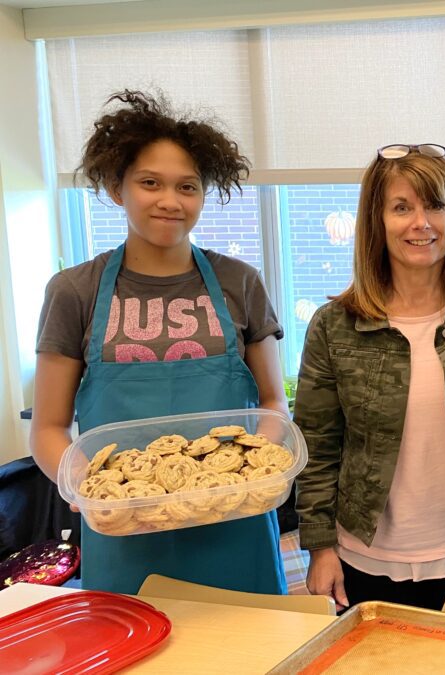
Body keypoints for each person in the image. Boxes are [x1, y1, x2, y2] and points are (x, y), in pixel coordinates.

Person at [31, 90, 289, 595]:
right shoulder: (75, 291)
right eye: (150, 183)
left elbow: (273, 402)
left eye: (187, 187)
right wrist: (91, 487)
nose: (170, 201)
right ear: (115, 188)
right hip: (126, 535)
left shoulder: (240, 282)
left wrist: (247, 477)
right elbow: (50, 427)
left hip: (232, 522)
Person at [294, 144, 445, 612]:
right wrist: (318, 546)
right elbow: (315, 442)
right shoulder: (335, 326)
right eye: (401, 207)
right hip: (365, 557)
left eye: (435, 205)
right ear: (377, 220)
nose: (421, 223)